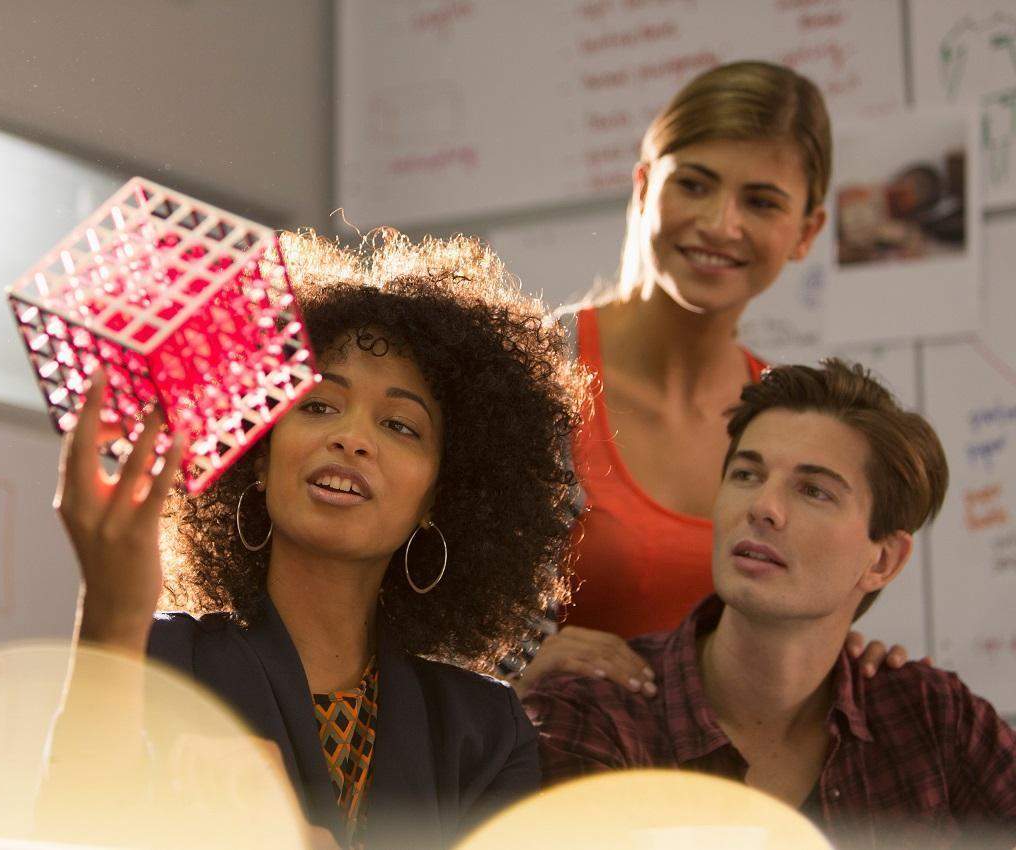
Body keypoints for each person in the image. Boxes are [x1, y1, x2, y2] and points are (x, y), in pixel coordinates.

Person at [52, 230, 589, 849]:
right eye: (317, 406)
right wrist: (109, 612)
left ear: (441, 498)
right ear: (256, 454)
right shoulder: (156, 657)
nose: (352, 438)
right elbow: (61, 831)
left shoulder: (486, 733)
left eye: (399, 425)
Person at [514, 61, 908, 698]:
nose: (722, 224)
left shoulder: (797, 421)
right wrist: (510, 671)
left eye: (761, 202)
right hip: (545, 779)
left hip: (730, 792)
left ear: (807, 231)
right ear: (644, 187)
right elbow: (423, 612)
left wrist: (837, 654)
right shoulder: (521, 378)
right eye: (694, 185)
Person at [525, 360, 1016, 849]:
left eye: (814, 490)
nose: (762, 507)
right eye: (746, 474)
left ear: (883, 560)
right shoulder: (594, 714)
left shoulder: (932, 716)